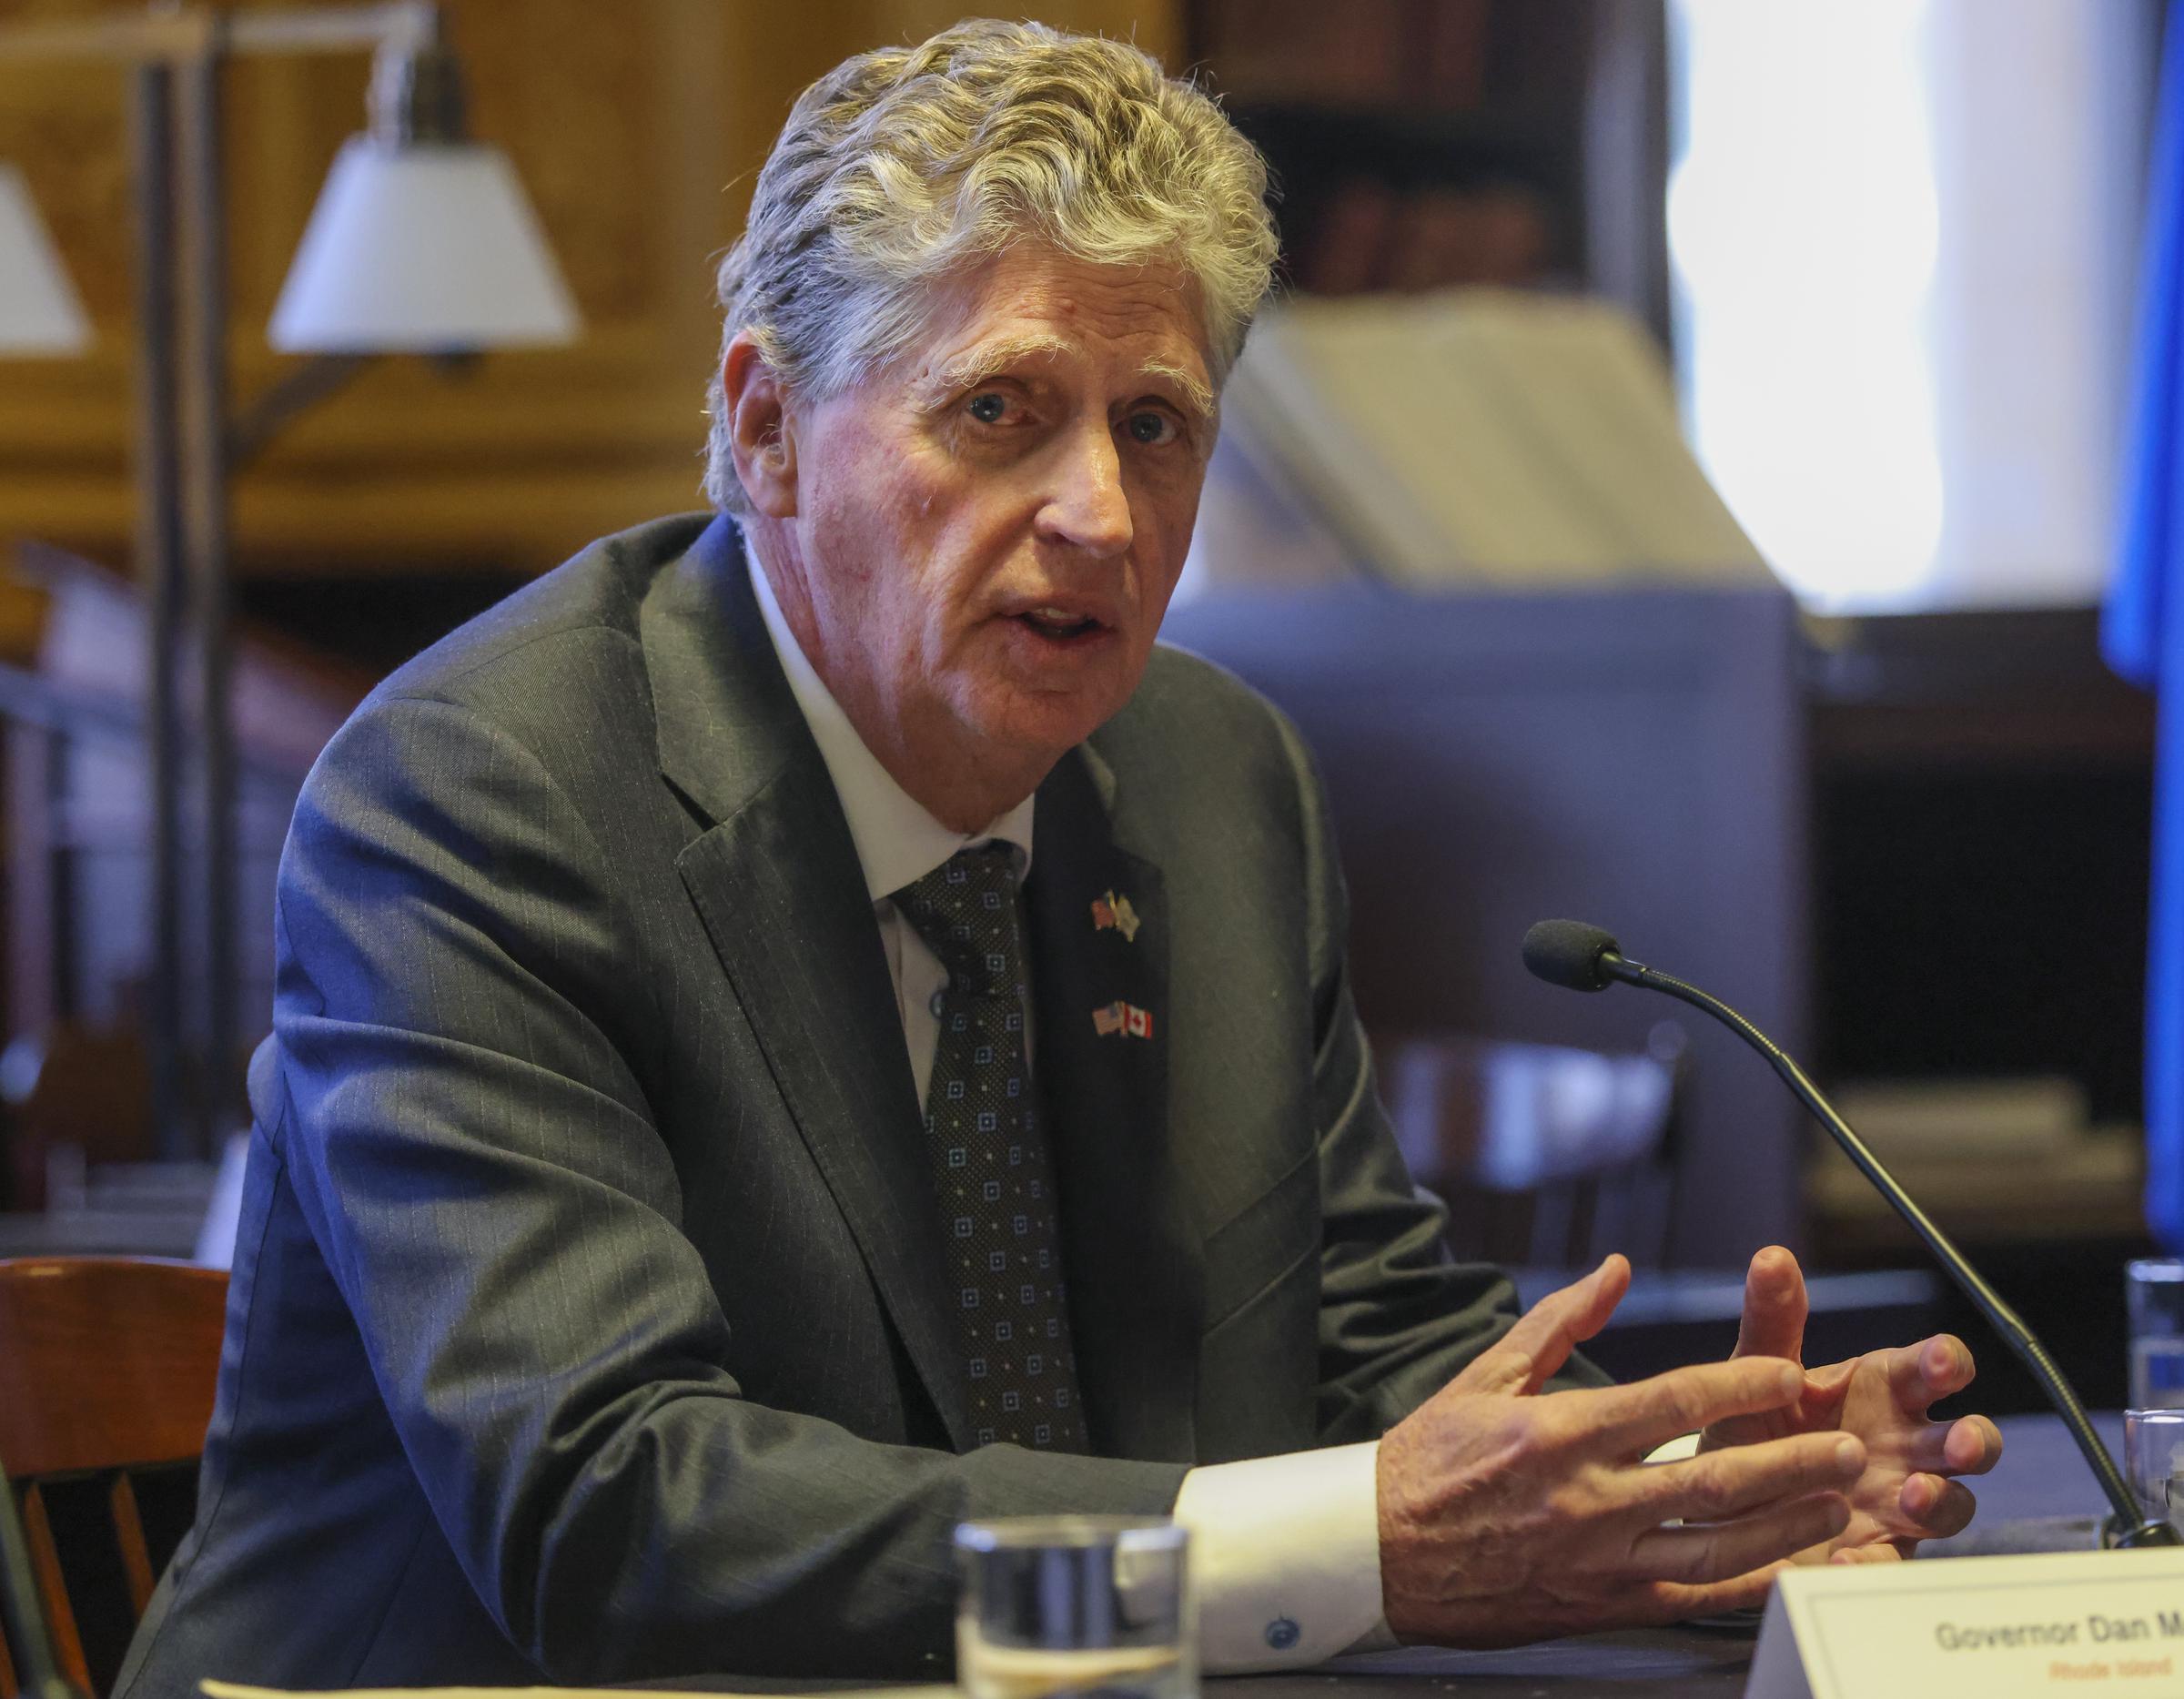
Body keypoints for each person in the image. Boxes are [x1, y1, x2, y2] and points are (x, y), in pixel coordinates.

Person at [117, 21, 1999, 1699]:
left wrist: (1695, 1488)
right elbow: (610, 1507)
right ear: (766, 428)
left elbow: (1358, 1345)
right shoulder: (485, 794)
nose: (1099, 514)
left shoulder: (1208, 775)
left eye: (1156, 425)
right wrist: (1359, 1546)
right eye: (998, 410)